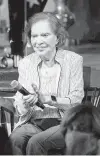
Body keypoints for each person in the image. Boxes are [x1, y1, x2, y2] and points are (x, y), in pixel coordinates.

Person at [9, 12, 84, 155]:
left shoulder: (73, 60)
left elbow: (76, 100)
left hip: (65, 122)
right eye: (34, 36)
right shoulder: (26, 63)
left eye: (44, 35)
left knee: (36, 142)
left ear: (57, 38)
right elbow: (19, 107)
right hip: (34, 122)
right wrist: (25, 103)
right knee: (15, 139)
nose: (38, 41)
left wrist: (50, 99)